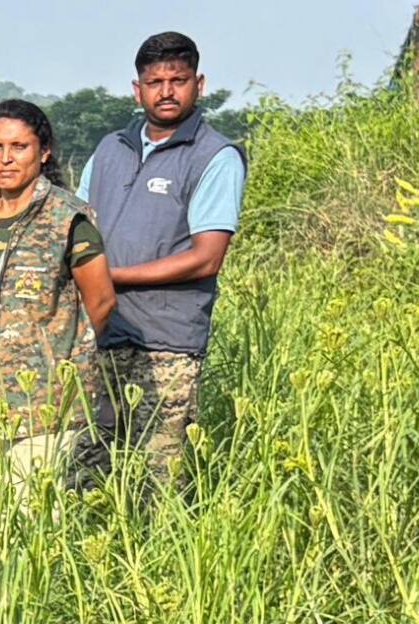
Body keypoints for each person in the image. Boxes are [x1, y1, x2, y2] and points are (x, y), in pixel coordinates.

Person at [79, 31, 246, 485]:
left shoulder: (215, 156)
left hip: (167, 342)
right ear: (138, 90)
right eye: (155, 82)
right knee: (85, 471)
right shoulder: (109, 149)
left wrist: (111, 276)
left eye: (179, 80)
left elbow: (206, 258)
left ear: (199, 85)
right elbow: (77, 227)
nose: (166, 91)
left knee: (158, 480)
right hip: (101, 332)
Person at [0, 99, 116, 542]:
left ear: (44, 151)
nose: (6, 158)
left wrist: (59, 363)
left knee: (34, 528)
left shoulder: (67, 218)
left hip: (43, 406)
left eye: (19, 147)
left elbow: (101, 302)